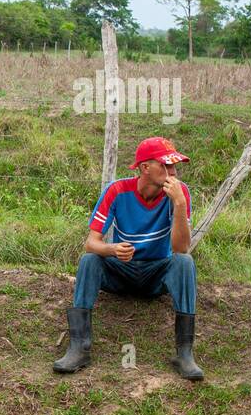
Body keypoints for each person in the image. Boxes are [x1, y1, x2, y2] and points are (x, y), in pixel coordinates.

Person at [54, 136, 203, 380]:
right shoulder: (116, 191)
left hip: (157, 276)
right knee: (89, 260)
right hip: (121, 272)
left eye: (175, 166)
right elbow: (90, 243)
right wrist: (112, 250)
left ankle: (184, 353)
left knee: (185, 263)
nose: (174, 172)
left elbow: (181, 248)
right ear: (145, 168)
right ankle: (79, 347)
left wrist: (178, 203)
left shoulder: (180, 193)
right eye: (166, 166)